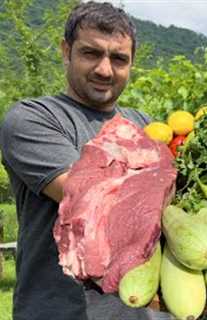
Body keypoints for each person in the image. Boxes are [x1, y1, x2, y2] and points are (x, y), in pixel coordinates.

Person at [0, 2, 172, 320]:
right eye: (91, 53)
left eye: (119, 59)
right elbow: (92, 201)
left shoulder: (145, 124)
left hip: (146, 311)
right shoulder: (33, 119)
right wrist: (163, 182)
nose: (105, 70)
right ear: (67, 51)